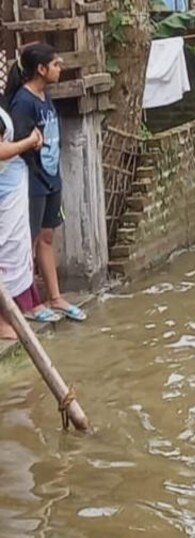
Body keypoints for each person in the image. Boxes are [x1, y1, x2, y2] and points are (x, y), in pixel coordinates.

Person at [6, 43, 82, 322]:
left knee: (47, 237)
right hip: (33, 180)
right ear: (40, 69)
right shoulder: (23, 102)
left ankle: (55, 296)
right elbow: (18, 146)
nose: (60, 69)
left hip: (51, 178)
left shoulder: (44, 96)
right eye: (55, 64)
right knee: (29, 240)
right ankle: (29, 302)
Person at [0, 94, 49, 338]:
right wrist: (28, 142)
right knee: (4, 251)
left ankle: (11, 313)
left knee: (15, 248)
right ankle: (1, 320)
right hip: (4, 189)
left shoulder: (3, 103)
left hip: (10, 184)